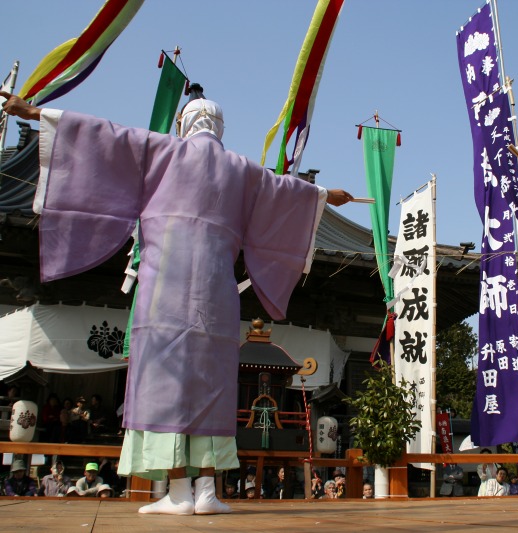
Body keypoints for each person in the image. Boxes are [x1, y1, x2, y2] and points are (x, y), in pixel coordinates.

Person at [0, 89, 352, 516]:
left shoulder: (159, 148)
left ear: (184, 125)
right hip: (216, 294)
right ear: (220, 130)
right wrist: (324, 195)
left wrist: (33, 111)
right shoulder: (242, 169)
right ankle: (208, 490)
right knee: (212, 382)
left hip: (164, 286)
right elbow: (286, 191)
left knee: (163, 379)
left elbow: (99, 135)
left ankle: (179, 490)